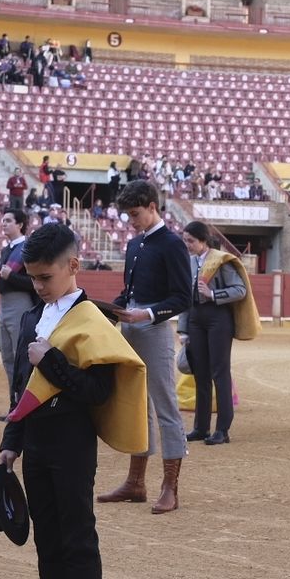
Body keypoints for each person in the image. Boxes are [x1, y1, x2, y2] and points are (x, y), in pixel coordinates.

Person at [0, 222, 146, 579]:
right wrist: (11, 443)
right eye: (33, 277)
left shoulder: (94, 322)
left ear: (74, 266)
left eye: (46, 277)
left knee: (77, 533)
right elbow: (20, 389)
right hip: (38, 442)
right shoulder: (30, 318)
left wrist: (54, 361)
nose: (38, 286)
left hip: (72, 443)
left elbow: (97, 393)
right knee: (46, 530)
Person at [98, 180, 193, 514]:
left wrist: (148, 313)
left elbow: (184, 297)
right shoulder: (135, 245)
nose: (131, 221)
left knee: (165, 404)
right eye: (128, 215)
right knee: (136, 403)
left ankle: (171, 487)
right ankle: (136, 482)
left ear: (153, 206)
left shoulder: (172, 245)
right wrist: (112, 309)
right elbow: (128, 291)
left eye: (135, 214)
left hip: (153, 330)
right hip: (131, 326)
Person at [179, 221, 255, 446]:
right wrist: (183, 329)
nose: (188, 245)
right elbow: (185, 298)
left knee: (219, 373)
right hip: (195, 319)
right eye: (186, 241)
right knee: (200, 374)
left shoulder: (221, 261)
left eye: (191, 241)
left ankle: (223, 430)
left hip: (218, 318)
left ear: (203, 240)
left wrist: (213, 294)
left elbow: (239, 290)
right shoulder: (191, 262)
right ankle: (200, 428)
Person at [0, 207, 38, 410]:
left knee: (20, 356)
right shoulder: (7, 250)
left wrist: (11, 277)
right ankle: (14, 403)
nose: (4, 223)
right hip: (4, 305)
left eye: (9, 220)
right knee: (7, 357)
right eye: (3, 220)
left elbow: (34, 282)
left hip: (21, 304)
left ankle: (24, 404)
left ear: (20, 225)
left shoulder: (29, 249)